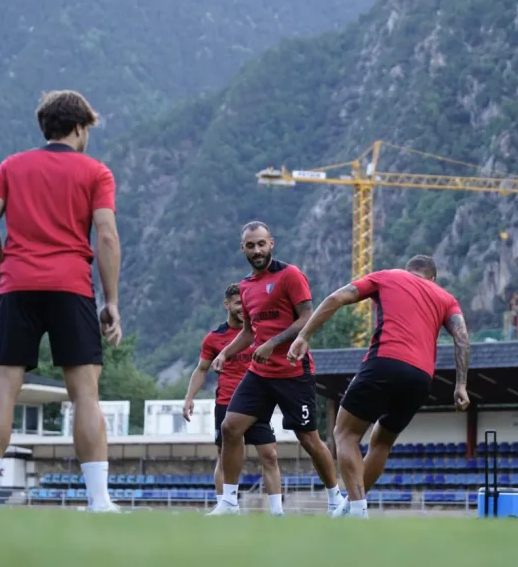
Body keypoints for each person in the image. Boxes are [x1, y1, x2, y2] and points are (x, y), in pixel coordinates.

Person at [0, 90, 122, 513]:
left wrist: (6, 268)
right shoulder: (95, 172)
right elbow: (106, 235)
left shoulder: (12, 166)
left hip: (17, 286)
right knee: (85, 395)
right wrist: (111, 301)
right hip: (71, 287)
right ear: (78, 127)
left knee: (1, 391)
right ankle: (99, 501)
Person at [288, 255, 471, 519]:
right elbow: (462, 337)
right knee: (381, 442)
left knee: (345, 434)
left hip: (385, 362)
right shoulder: (445, 297)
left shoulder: (388, 276)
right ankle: (349, 508)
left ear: (409, 271)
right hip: (421, 377)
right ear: (432, 278)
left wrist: (304, 335)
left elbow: (336, 298)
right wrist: (461, 385)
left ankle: (358, 511)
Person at [207, 222, 341, 516]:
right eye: (251, 245)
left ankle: (336, 499)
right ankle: (228, 502)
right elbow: (247, 331)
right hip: (260, 374)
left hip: (294, 372)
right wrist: (226, 354)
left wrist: (271, 344)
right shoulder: (245, 286)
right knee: (230, 427)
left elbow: (307, 317)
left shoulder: (290, 275)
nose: (257, 250)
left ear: (272, 243)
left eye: (261, 244)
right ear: (243, 249)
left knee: (309, 439)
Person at [182, 283, 284, 515]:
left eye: (246, 303)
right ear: (226, 305)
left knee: (269, 454)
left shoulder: (259, 333)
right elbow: (201, 369)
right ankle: (226, 506)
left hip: (256, 402)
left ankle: (277, 512)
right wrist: (189, 397)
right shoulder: (214, 338)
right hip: (226, 403)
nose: (242, 308)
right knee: (223, 455)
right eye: (238, 303)